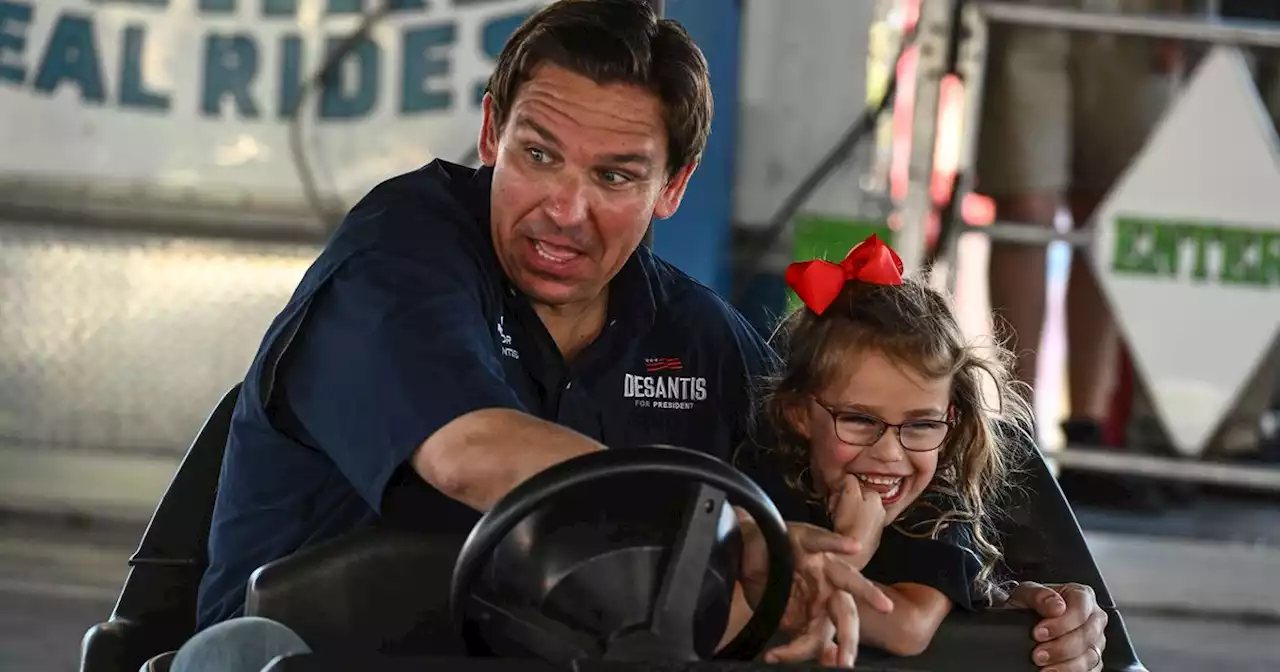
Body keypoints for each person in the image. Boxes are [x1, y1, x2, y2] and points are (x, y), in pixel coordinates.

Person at [178, 1, 1110, 670]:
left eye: (617, 175)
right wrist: (736, 527)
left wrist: (1010, 598)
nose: (566, 210)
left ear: (672, 187)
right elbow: (472, 450)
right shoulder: (400, 259)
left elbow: (843, 476)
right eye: (539, 154)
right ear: (491, 133)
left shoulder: (696, 340)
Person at [745, 234, 1074, 663]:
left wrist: (850, 547)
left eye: (921, 425)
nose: (890, 453)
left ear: (950, 421)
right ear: (798, 414)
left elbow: (909, 629)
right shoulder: (763, 480)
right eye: (860, 420)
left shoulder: (938, 513)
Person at [976, 0, 1183, 450]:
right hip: (1034, 12)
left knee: (1110, 217)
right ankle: (1015, 424)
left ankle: (1087, 428)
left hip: (1140, 15)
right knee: (1025, 208)